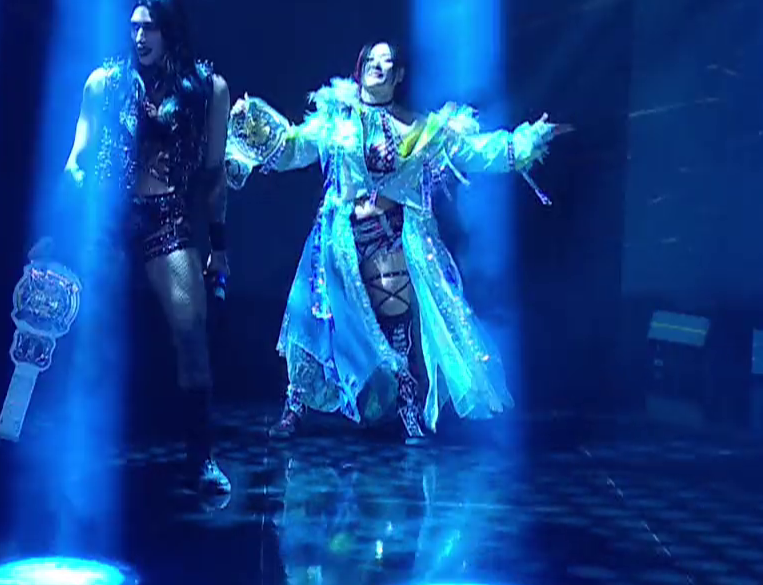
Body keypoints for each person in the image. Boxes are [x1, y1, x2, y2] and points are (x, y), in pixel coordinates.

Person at [225, 41, 570, 442]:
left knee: (396, 319)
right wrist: (252, 123)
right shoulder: (336, 121)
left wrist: (528, 139)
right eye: (370, 60)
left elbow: (474, 151)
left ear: (399, 74)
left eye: (386, 61)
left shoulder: (422, 129)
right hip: (338, 241)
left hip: (394, 237)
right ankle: (295, 407)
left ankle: (406, 404)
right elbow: (292, 147)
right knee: (314, 322)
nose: (377, 66)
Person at [60, 0, 233, 492]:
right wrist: (70, 205)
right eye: (134, 27)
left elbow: (214, 175)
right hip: (111, 216)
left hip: (168, 215)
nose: (139, 37)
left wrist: (219, 246)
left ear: (169, 30)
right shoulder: (105, 82)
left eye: (149, 27)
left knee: (191, 331)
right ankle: (80, 451)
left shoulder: (208, 89)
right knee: (90, 329)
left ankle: (201, 456)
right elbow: (76, 157)